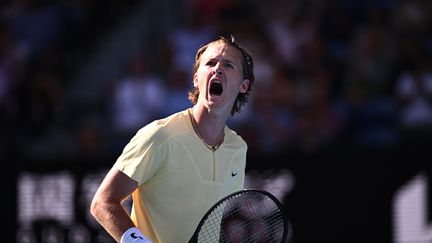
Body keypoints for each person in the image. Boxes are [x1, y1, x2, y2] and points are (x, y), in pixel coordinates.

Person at [90, 35, 255, 243]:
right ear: (196, 78)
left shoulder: (238, 149)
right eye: (210, 63)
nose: (217, 69)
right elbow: (103, 203)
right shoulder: (159, 136)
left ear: (243, 85)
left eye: (228, 65)